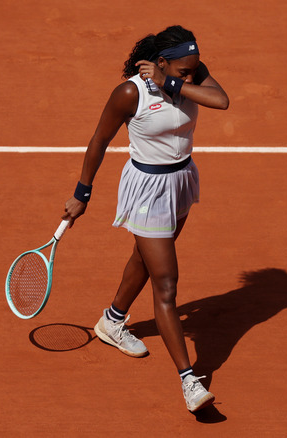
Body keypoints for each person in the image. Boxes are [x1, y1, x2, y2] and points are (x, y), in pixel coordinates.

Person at [61, 25, 229, 413]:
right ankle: (190, 382)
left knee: (145, 257)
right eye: (183, 70)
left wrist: (175, 83)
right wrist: (81, 194)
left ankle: (111, 321)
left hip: (182, 182)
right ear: (160, 61)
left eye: (192, 70)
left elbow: (221, 101)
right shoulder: (130, 92)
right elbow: (98, 141)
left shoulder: (187, 73)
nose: (192, 74)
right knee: (166, 284)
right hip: (147, 191)